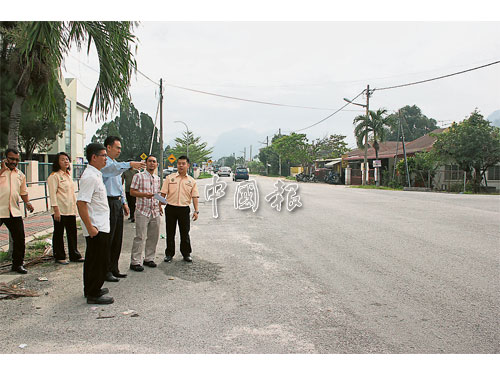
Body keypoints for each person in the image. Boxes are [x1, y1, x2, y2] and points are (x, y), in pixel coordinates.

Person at [101, 136, 146, 282]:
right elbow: (111, 171)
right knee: (108, 238)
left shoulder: (116, 164)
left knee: (117, 238)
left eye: (120, 148)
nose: (120, 150)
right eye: (117, 147)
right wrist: (130, 164)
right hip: (107, 202)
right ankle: (105, 270)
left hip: (117, 202)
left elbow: (119, 186)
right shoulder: (105, 164)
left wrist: (124, 202)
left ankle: (114, 268)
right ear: (109, 147)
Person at [76, 143, 113, 304]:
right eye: (104, 155)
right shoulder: (90, 177)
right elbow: (81, 203)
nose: (106, 158)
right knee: (98, 261)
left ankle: (91, 288)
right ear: (94, 157)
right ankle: (93, 293)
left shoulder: (95, 174)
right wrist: (90, 227)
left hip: (100, 224)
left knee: (94, 260)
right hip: (96, 227)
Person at [0, 148, 34, 274]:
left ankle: (17, 264)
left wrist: (28, 203)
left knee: (20, 239)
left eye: (16, 160)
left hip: (13, 211)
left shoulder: (20, 174)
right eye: (11, 159)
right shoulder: (1, 171)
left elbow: (23, 192)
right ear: (5, 158)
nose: (14, 162)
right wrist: (2, 170)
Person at [160, 155, 199, 263]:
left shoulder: (191, 181)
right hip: (170, 208)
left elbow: (195, 197)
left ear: (188, 165)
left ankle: (186, 253)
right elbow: (163, 193)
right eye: (179, 163)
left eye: (183, 164)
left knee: (185, 232)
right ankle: (169, 254)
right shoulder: (170, 178)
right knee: (170, 232)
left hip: (184, 209)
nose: (181, 166)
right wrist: (159, 205)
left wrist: (196, 211)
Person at [47, 152, 84, 264]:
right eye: (62, 159)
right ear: (57, 162)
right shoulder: (54, 176)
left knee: (72, 233)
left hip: (70, 210)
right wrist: (56, 210)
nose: (66, 161)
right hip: (60, 210)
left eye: (67, 159)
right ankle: (59, 256)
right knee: (59, 233)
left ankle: (74, 255)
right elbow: (52, 195)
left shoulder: (68, 176)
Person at [129, 155, 162, 271]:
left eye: (154, 161)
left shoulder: (157, 179)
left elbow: (157, 194)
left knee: (153, 236)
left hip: (154, 211)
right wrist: (144, 195)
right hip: (142, 210)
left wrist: (160, 205)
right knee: (140, 236)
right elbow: (132, 192)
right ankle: (135, 261)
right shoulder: (138, 176)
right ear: (146, 163)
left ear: (157, 164)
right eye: (150, 161)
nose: (152, 163)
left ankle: (149, 258)